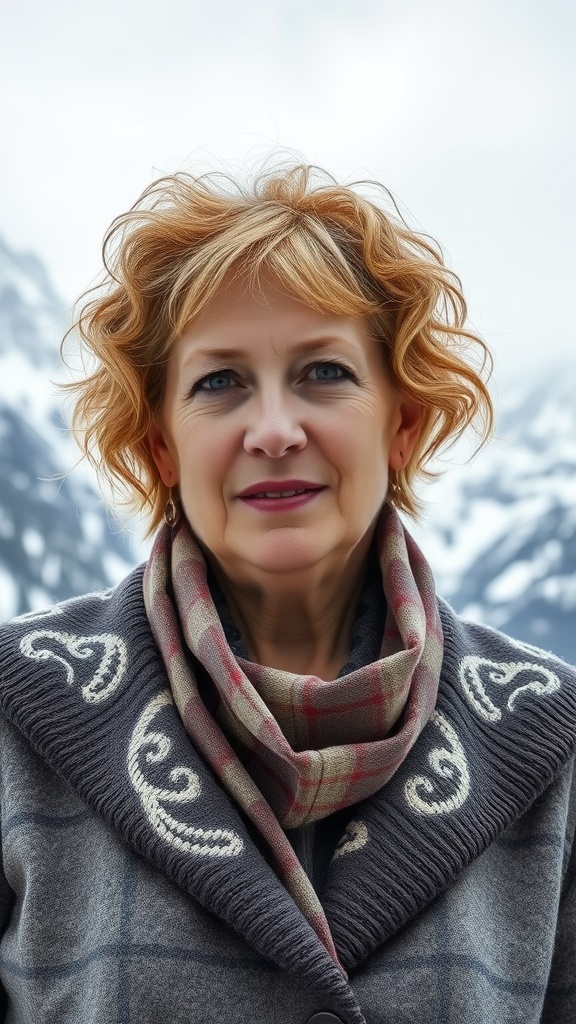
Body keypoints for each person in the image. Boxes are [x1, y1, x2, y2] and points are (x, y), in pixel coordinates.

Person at [0, 163, 574, 1024]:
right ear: (162, 448)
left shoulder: (548, 740)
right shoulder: (18, 714)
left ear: (402, 423)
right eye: (218, 382)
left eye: (325, 373)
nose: (273, 430)